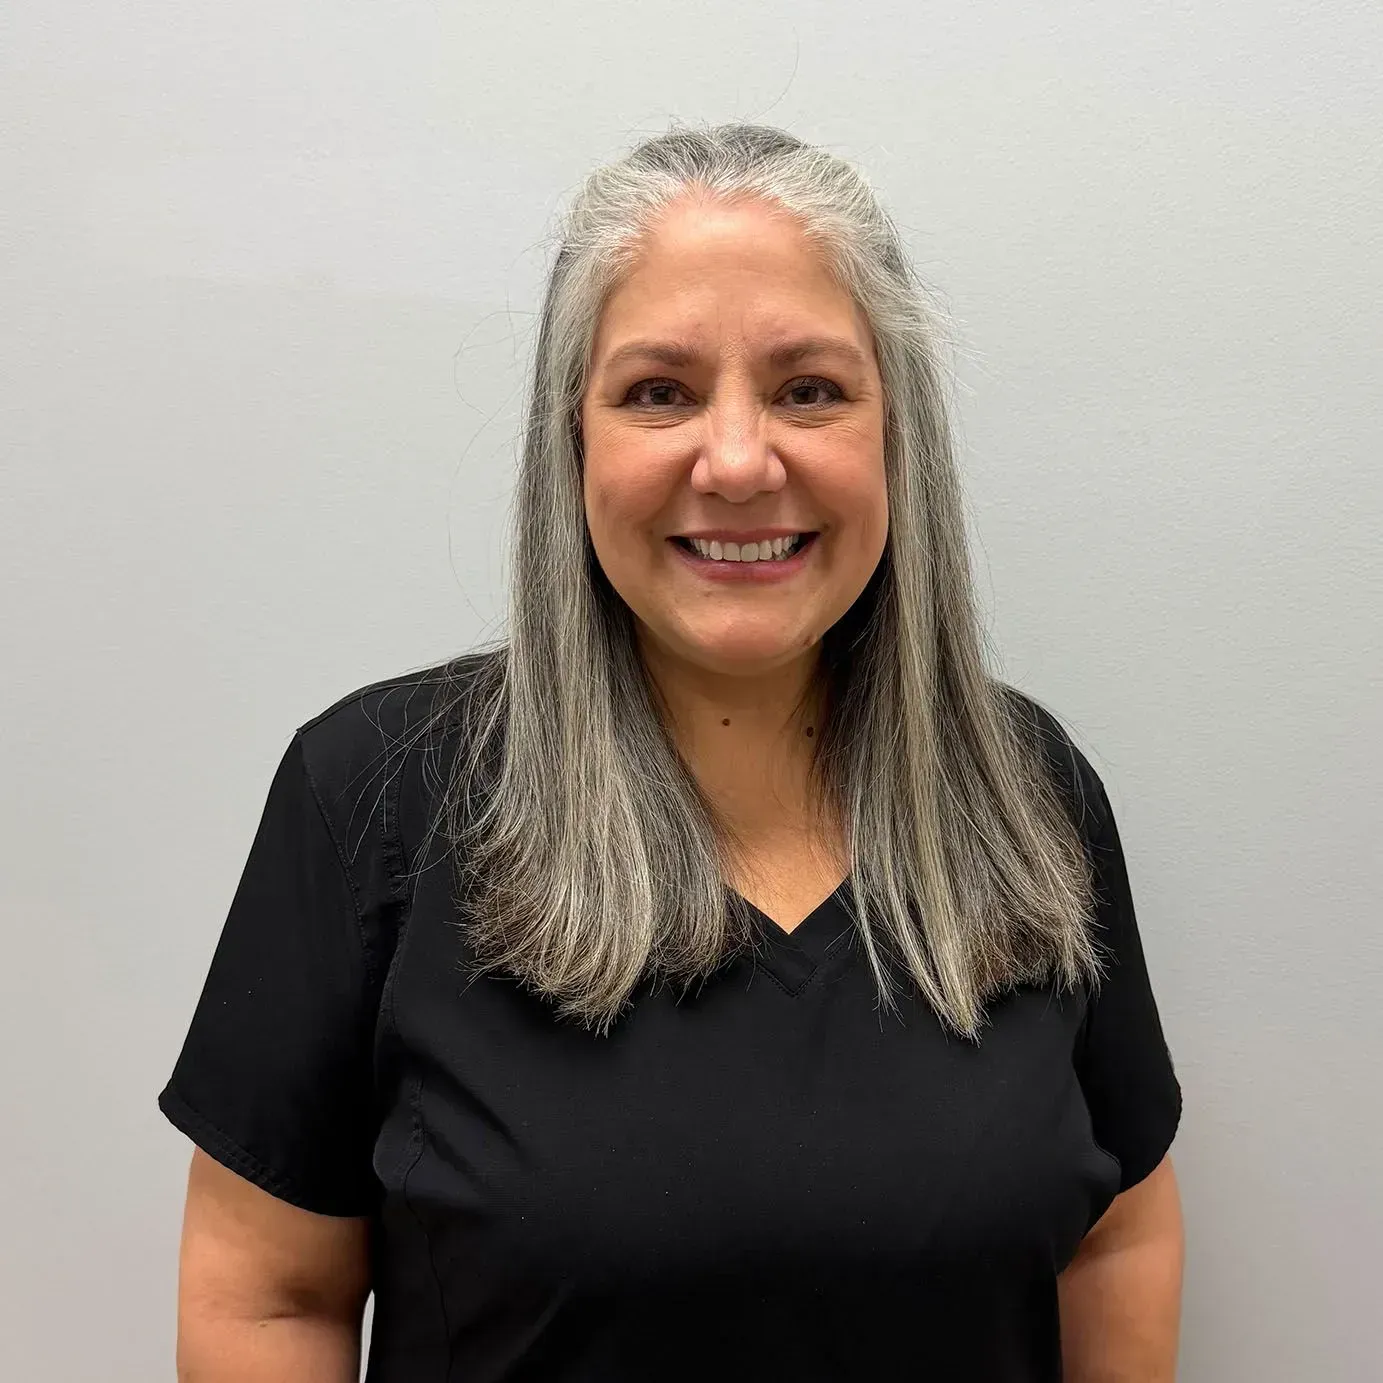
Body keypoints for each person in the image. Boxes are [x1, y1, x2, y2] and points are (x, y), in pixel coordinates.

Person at [159, 121, 1184, 1381]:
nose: (741, 460)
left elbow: (1116, 1233)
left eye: (811, 388)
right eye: (659, 392)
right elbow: (267, 1297)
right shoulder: (372, 795)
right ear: (570, 440)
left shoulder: (1026, 792)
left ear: (896, 433)